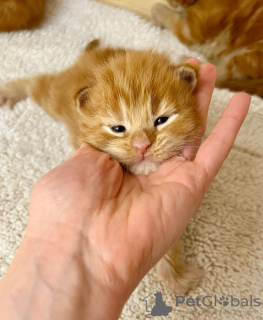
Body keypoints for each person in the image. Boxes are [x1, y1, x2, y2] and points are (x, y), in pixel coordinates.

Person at [0, 61, 251, 320]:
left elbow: (161, 213)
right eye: (119, 129)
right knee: (51, 96)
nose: (142, 144)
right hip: (83, 80)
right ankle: (25, 84)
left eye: (161, 120)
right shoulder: (87, 116)